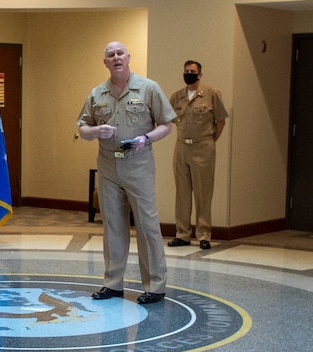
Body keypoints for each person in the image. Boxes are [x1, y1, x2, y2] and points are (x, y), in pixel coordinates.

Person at [76, 41, 175, 304]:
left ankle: (155, 286)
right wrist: (96, 131)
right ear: (105, 62)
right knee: (113, 227)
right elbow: (82, 129)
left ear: (128, 58)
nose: (116, 57)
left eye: (120, 53)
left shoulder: (148, 88)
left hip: (138, 163)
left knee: (147, 225)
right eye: (111, 55)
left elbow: (167, 124)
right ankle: (113, 283)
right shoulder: (97, 93)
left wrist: (146, 138)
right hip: (108, 165)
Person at [168, 60, 228, 250]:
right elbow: (168, 120)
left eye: (192, 71)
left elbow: (221, 122)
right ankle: (182, 234)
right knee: (182, 194)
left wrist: (209, 142)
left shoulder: (211, 94)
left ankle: (203, 234)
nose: (189, 74)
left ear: (200, 74)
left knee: (203, 193)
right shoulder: (176, 97)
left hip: (203, 148)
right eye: (186, 71)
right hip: (181, 148)